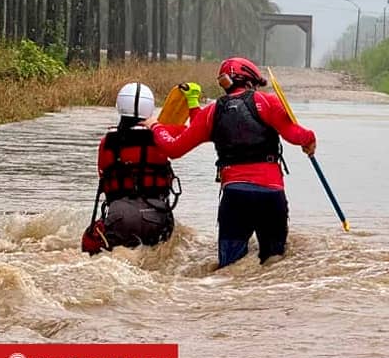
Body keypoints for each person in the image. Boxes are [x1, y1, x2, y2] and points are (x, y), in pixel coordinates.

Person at [141, 57, 317, 269]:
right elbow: (297, 135)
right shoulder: (268, 102)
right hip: (271, 196)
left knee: (230, 269)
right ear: (250, 81)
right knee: (274, 265)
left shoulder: (211, 113)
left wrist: (155, 126)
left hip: (235, 197)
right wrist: (309, 141)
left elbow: (174, 148)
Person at [81, 82, 202, 254]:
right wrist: (192, 101)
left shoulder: (106, 142)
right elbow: (198, 129)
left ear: (119, 106)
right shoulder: (164, 134)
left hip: (119, 216)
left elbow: (103, 175)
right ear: (150, 108)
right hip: (157, 215)